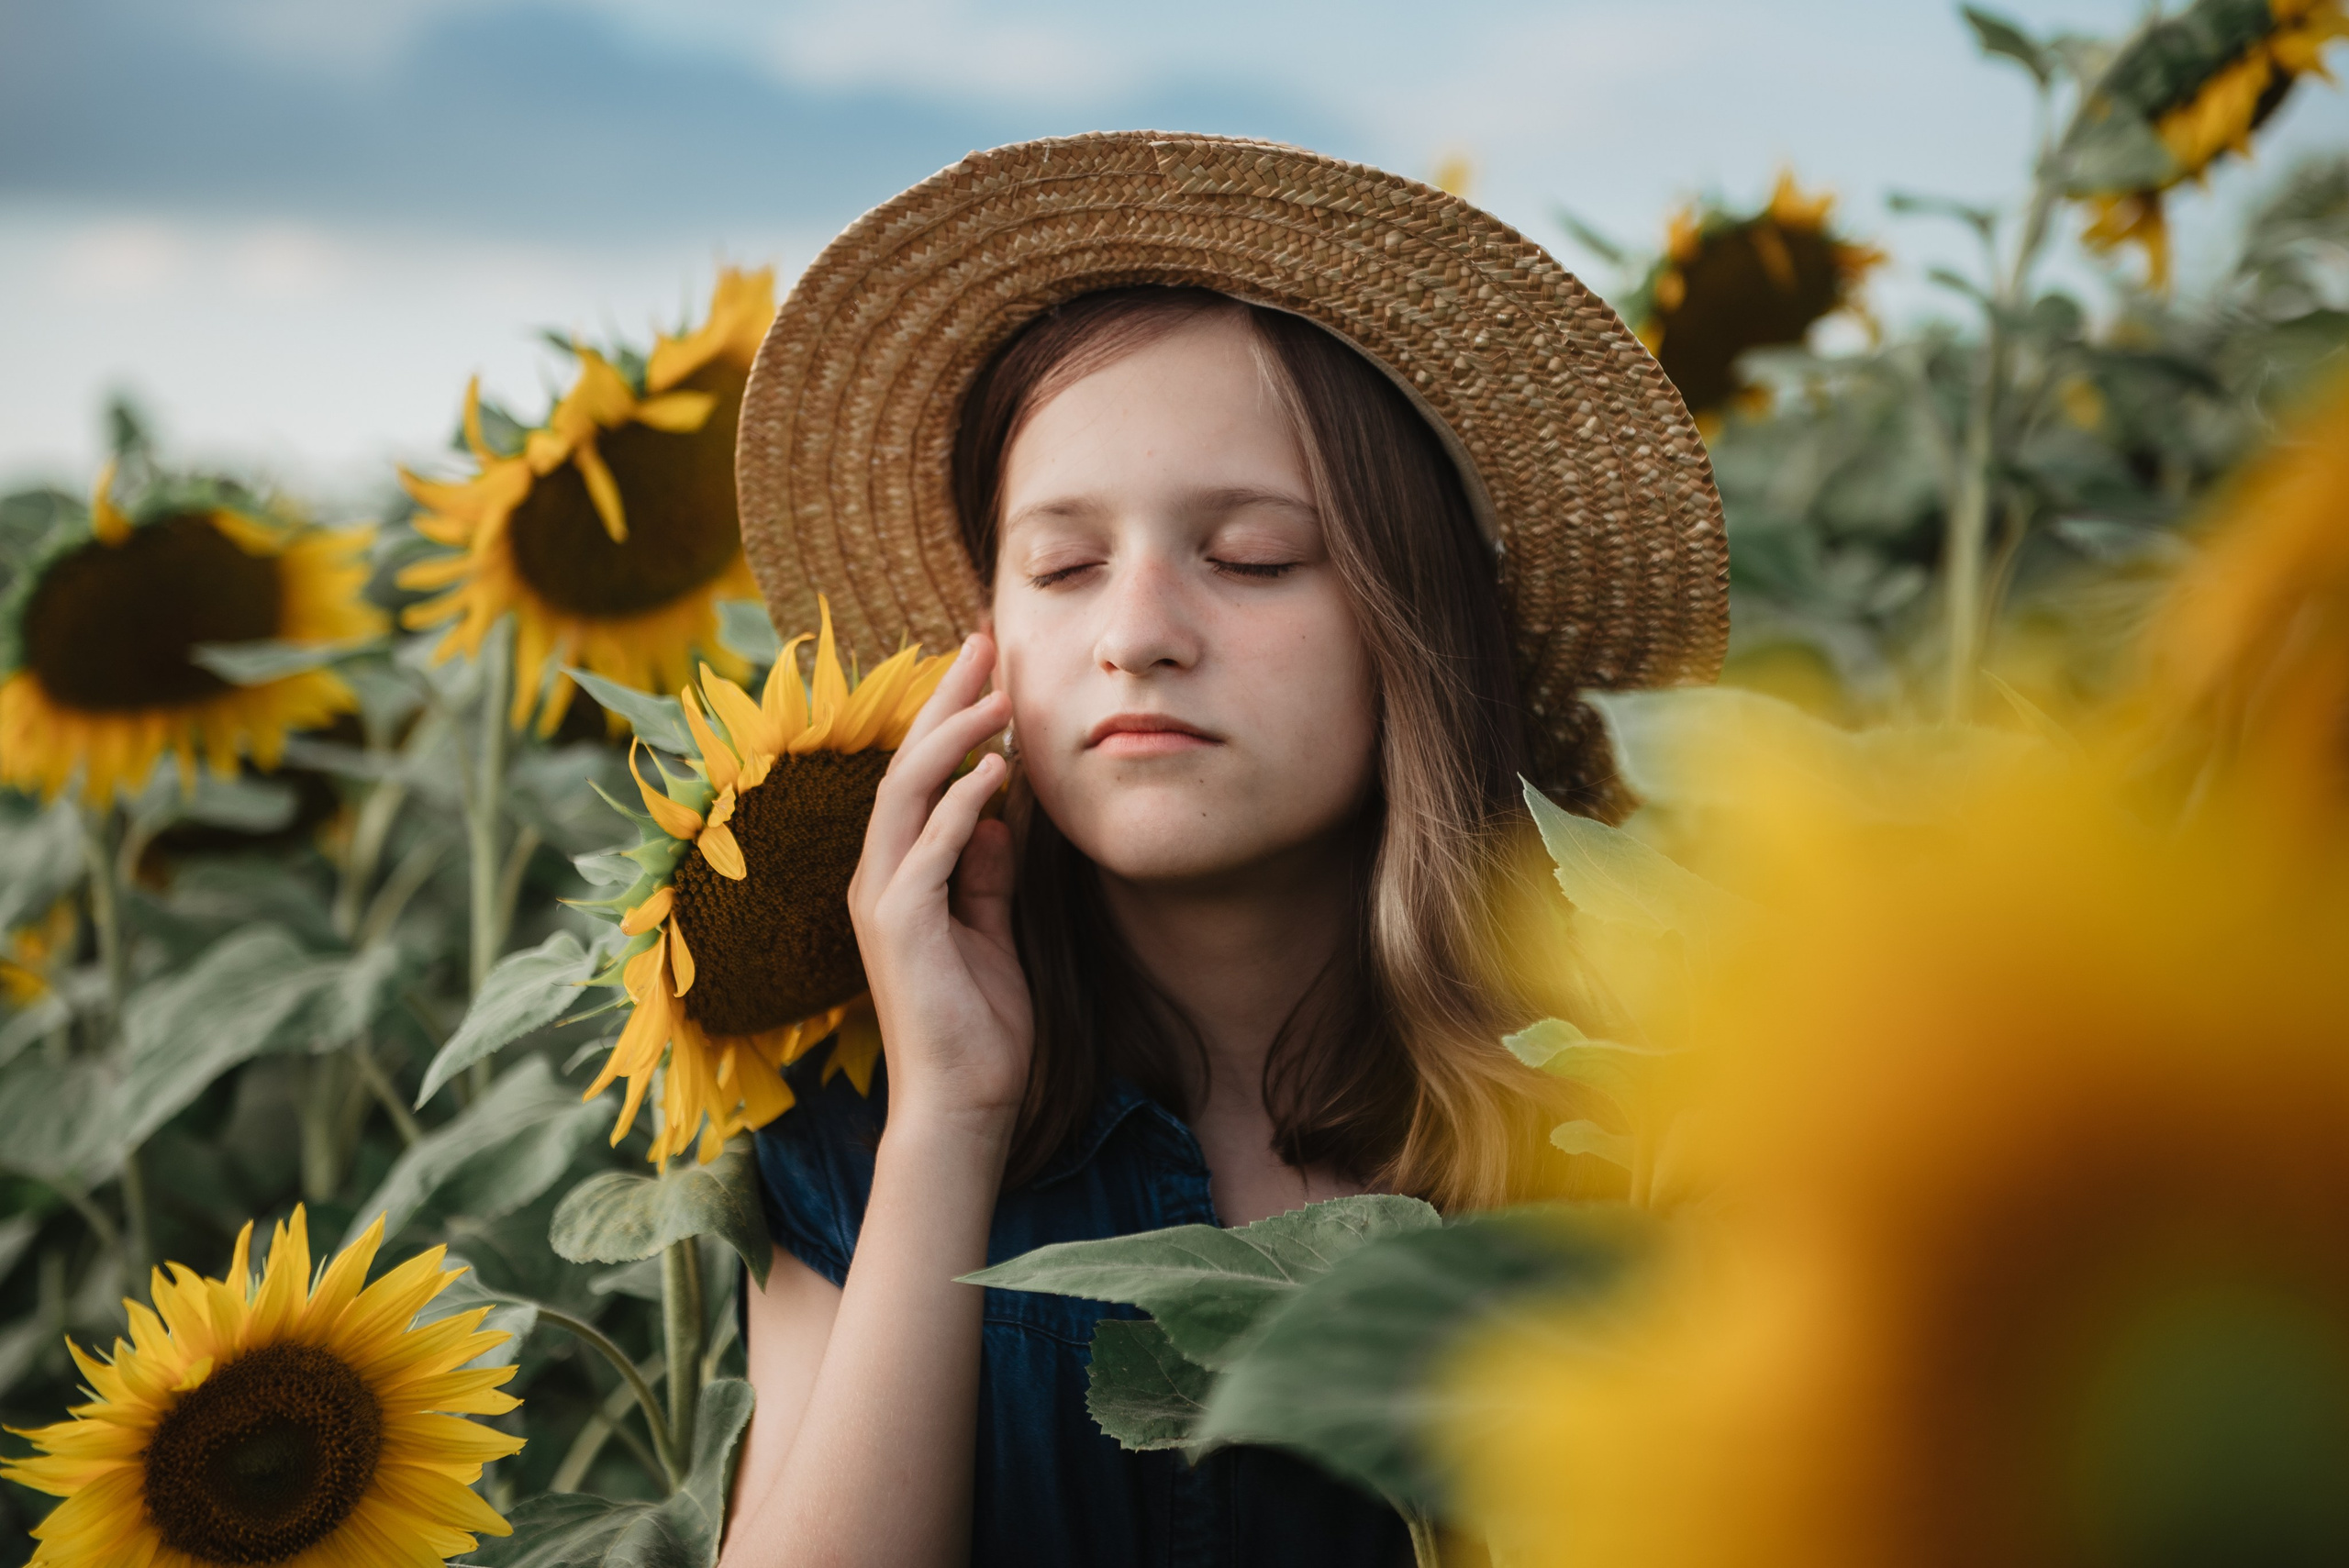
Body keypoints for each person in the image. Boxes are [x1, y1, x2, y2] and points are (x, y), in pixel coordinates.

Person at [718, 133, 1728, 1568]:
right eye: (1063, 567)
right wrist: (947, 1117)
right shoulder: (850, 1128)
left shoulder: (1625, 1120)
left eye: (1251, 555)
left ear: (1413, 622)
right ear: (986, 647)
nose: (1136, 633)